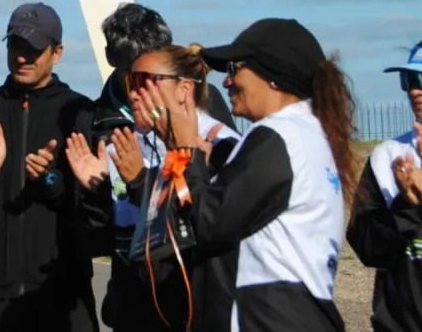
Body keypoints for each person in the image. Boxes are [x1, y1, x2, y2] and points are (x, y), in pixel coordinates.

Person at [139, 18, 357, 331]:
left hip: (269, 316)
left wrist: (186, 151)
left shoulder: (278, 135)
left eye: (234, 69)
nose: (225, 82)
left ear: (273, 77)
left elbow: (209, 222)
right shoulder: (308, 134)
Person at [0, 2, 108, 332]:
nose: (22, 57)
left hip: (62, 293)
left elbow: (98, 218)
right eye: (16, 46)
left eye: (34, 49)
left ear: (57, 52)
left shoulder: (82, 113)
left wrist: (53, 180)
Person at [71, 44, 240, 332]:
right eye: (129, 82)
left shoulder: (222, 145)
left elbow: (208, 228)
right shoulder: (124, 145)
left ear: (183, 88)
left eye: (143, 82)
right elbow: (105, 240)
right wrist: (95, 190)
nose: (133, 93)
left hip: (191, 313)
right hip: (133, 314)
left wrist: (140, 181)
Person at [347, 39, 422, 332]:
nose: (416, 89)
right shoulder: (387, 157)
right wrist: (408, 205)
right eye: (410, 80)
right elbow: (366, 246)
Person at [94, 3, 237, 139]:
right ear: (110, 57)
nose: (137, 90)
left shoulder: (206, 98)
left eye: (149, 76)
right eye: (131, 76)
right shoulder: (89, 123)